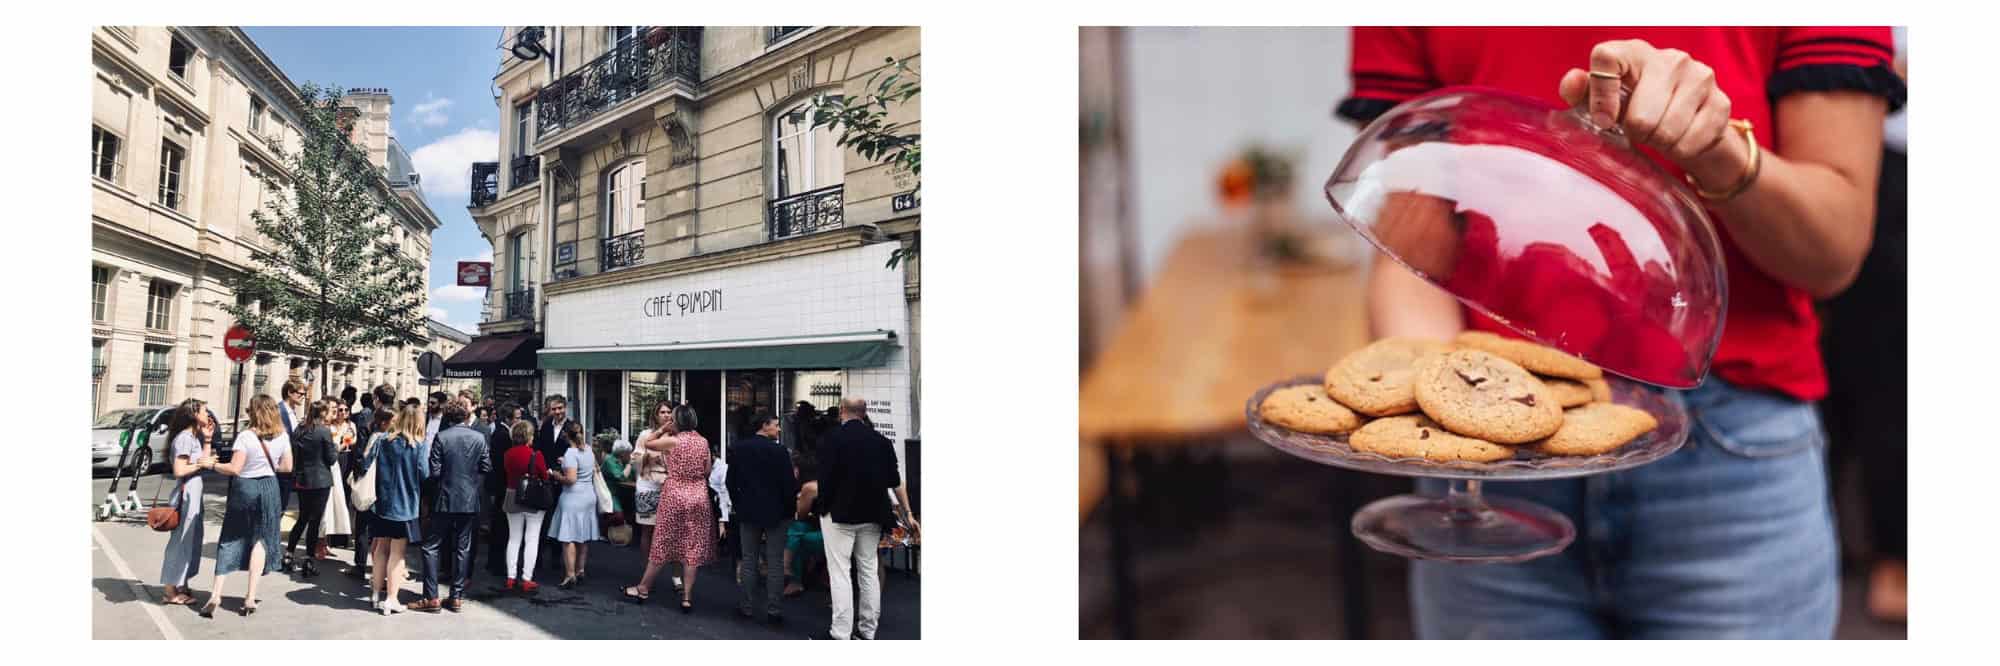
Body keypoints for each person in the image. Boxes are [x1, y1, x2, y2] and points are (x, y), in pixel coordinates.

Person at [1337, 27, 1903, 638]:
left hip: (1728, 460)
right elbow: (1413, 249)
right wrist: (1444, 418)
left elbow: (1832, 256)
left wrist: (1718, 152)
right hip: (1491, 473)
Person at [816, 398, 917, 639]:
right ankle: (867, 631)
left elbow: (825, 478)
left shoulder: (831, 439)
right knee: (868, 570)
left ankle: (840, 634)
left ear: (842, 411)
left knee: (840, 571)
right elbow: (895, 481)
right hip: (873, 513)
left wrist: (823, 507)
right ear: (864, 413)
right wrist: (908, 513)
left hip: (838, 514)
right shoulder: (881, 442)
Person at [198, 394, 293, 619]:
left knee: (231, 537)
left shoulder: (245, 437)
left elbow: (234, 469)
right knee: (260, 540)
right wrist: (267, 468)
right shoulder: (282, 436)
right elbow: (287, 466)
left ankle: (216, 595)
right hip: (270, 487)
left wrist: (212, 464)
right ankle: (250, 597)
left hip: (245, 488)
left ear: (254, 412)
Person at [622, 404, 716, 613]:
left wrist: (663, 428)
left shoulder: (673, 441)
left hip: (674, 494)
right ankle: (687, 597)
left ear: (677, 421)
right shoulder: (703, 442)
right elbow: (707, 470)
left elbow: (649, 443)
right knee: (692, 545)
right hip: (698, 496)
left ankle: (643, 588)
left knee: (662, 541)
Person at [413, 401, 489, 612]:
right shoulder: (479, 437)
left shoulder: (442, 437)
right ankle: (456, 596)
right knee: (463, 547)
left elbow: (434, 471)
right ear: (466, 416)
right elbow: (485, 466)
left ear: (448, 417)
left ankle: (431, 596)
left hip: (445, 498)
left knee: (431, 546)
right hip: (469, 499)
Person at [727, 411, 798, 624]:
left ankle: (747, 606)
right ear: (764, 425)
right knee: (775, 561)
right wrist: (789, 510)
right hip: (777, 513)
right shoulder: (780, 452)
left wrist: (738, 504)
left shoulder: (739, 449)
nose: (778, 429)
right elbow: (789, 486)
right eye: (776, 425)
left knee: (749, 559)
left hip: (748, 511)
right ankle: (773, 609)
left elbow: (731, 481)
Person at [361, 401, 428, 615]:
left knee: (381, 548)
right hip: (405, 505)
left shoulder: (383, 440)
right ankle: (391, 598)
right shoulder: (418, 446)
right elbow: (425, 474)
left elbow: (365, 463)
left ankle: (374, 594)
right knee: (397, 554)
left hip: (382, 503)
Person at [158, 399, 213, 607]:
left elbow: (202, 464)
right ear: (193, 414)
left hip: (194, 492)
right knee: (180, 541)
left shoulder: (194, 437)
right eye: (204, 411)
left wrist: (207, 440)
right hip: (186, 494)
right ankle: (170, 590)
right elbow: (179, 470)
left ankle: (180, 582)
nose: (208, 415)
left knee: (191, 540)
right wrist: (201, 463)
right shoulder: (184, 439)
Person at [281, 400, 339, 578]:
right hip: (320, 481)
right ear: (322, 413)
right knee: (315, 520)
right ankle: (308, 559)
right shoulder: (324, 432)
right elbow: (331, 459)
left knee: (302, 518)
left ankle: (289, 554)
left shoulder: (300, 430)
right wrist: (336, 447)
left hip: (303, 479)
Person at [345, 384, 393, 579]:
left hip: (370, 476)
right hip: (388, 480)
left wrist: (357, 472)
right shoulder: (397, 416)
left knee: (363, 523)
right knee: (382, 526)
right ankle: (381, 567)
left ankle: (360, 564)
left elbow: (362, 452)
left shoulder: (370, 417)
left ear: (376, 398)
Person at [545, 421, 601, 588]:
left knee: (568, 537)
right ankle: (580, 569)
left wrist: (555, 475)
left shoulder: (570, 453)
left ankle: (570, 575)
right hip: (589, 495)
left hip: (573, 497)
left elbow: (570, 479)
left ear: (565, 435)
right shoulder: (589, 449)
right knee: (582, 536)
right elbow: (594, 469)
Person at [500, 420, 549, 593]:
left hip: (512, 495)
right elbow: (544, 475)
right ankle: (527, 578)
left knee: (513, 538)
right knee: (532, 538)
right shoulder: (536, 455)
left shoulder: (508, 454)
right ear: (529, 436)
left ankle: (510, 577)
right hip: (533, 498)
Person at [630, 402, 674, 561]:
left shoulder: (675, 436)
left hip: (668, 487)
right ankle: (646, 566)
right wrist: (649, 457)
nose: (666, 415)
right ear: (656, 415)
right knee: (647, 530)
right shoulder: (645, 434)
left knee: (669, 531)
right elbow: (634, 458)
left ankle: (671, 571)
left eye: (669, 412)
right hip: (647, 486)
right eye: (662, 412)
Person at [317, 396, 356, 561]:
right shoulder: (327, 427)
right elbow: (333, 447)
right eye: (337, 410)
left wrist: (345, 442)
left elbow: (351, 441)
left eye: (344, 410)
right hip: (331, 464)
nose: (341, 413)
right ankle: (320, 543)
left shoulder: (349, 425)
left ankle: (326, 542)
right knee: (326, 506)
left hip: (341, 462)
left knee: (336, 504)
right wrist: (341, 444)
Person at [783, 451, 824, 598]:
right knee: (798, 531)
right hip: (827, 527)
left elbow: (801, 515)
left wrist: (799, 501)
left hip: (833, 533)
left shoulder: (810, 487)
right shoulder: (825, 481)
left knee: (796, 531)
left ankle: (790, 572)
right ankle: (795, 573)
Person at [276, 379, 307, 531]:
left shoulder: (293, 412)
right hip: (280, 467)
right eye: (301, 393)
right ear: (290, 392)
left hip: (291, 467)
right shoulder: (279, 411)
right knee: (277, 508)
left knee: (282, 506)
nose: (304, 397)